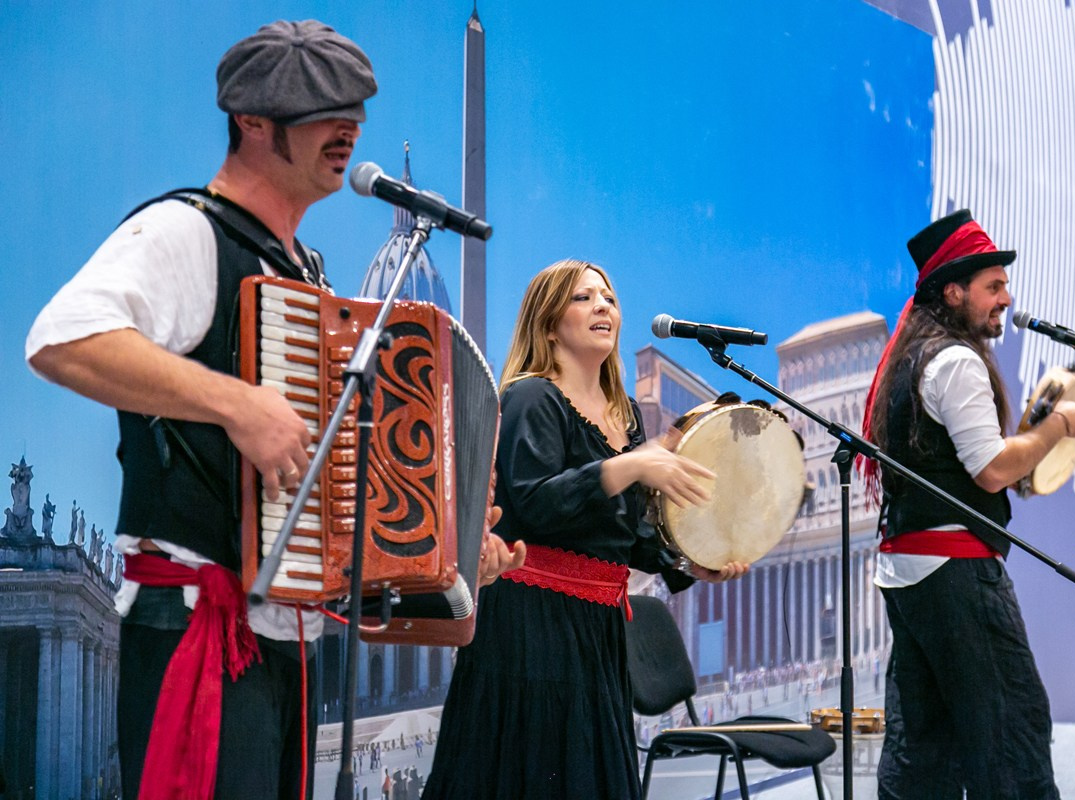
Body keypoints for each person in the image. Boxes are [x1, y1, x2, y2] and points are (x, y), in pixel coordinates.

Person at [26, 20, 521, 800]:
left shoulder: (308, 280)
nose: (349, 126)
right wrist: (234, 402)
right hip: (199, 630)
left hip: (290, 647)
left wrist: (446, 558)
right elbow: (62, 338)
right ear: (253, 123)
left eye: (355, 106)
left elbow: (339, 503)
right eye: (322, 108)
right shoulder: (187, 231)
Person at [421, 259, 748, 800]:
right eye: (583, 298)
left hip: (597, 630)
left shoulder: (625, 417)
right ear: (549, 325)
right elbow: (537, 500)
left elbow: (628, 536)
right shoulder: (531, 397)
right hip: (532, 626)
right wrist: (633, 465)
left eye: (610, 298)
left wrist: (690, 563)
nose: (603, 306)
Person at [859, 209, 1075, 799]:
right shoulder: (956, 360)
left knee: (924, 750)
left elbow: (961, 464)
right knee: (1011, 733)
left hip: (911, 573)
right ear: (953, 290)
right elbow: (990, 469)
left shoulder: (910, 361)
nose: (1006, 299)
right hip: (957, 573)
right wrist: (1058, 426)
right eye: (994, 286)